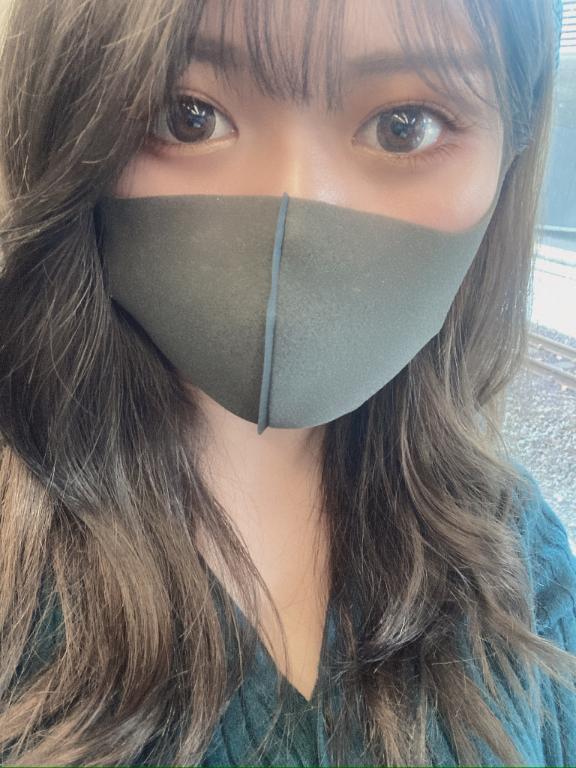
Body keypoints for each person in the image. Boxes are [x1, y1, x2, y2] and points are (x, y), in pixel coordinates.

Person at [0, 0, 573, 765]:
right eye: (187, 117)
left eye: (404, 126)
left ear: (510, 152)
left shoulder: (520, 554)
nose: (298, 209)